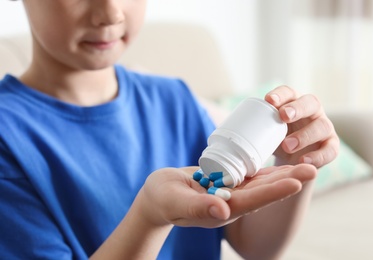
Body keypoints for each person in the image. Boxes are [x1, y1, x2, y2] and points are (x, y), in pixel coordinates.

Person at [0, 0, 339, 259]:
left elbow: (253, 245)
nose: (111, 13)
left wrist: (295, 163)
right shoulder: (9, 136)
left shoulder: (174, 99)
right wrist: (150, 217)